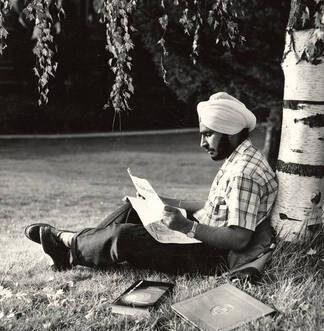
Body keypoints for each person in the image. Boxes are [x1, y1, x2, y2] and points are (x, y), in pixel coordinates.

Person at [25, 92, 278, 276]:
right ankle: (71, 252)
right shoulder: (240, 158)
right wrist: (160, 200)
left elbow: (239, 239)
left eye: (208, 134)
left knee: (124, 237)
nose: (202, 143)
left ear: (231, 132)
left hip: (210, 256)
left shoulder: (243, 173)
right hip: (205, 233)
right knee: (132, 209)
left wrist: (186, 227)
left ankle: (65, 240)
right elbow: (215, 207)